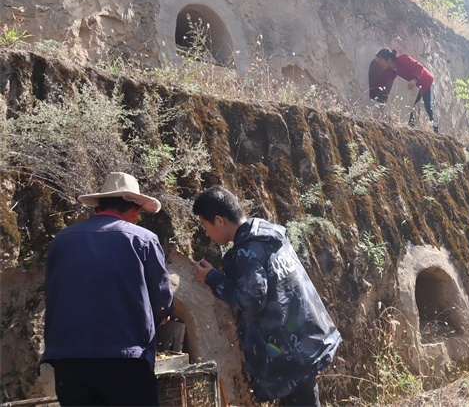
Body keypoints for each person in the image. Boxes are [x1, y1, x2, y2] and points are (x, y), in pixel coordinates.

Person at [192, 186, 342, 406]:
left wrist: (213, 279)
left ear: (219, 220)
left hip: (291, 353)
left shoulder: (248, 251)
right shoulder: (269, 236)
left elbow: (251, 300)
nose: (206, 234)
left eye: (206, 226)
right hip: (307, 341)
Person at [42, 172, 174, 406]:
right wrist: (161, 317)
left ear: (99, 206)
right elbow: (161, 300)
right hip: (124, 359)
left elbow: (53, 291)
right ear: (134, 208)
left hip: (68, 359)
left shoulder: (62, 239)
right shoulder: (143, 239)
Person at [372, 48, 439, 133]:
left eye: (381, 61)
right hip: (415, 89)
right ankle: (412, 127)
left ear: (388, 59)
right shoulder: (391, 70)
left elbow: (419, 67)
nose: (380, 64)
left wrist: (414, 80)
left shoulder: (403, 58)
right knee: (407, 105)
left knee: (429, 106)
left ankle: (436, 129)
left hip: (426, 82)